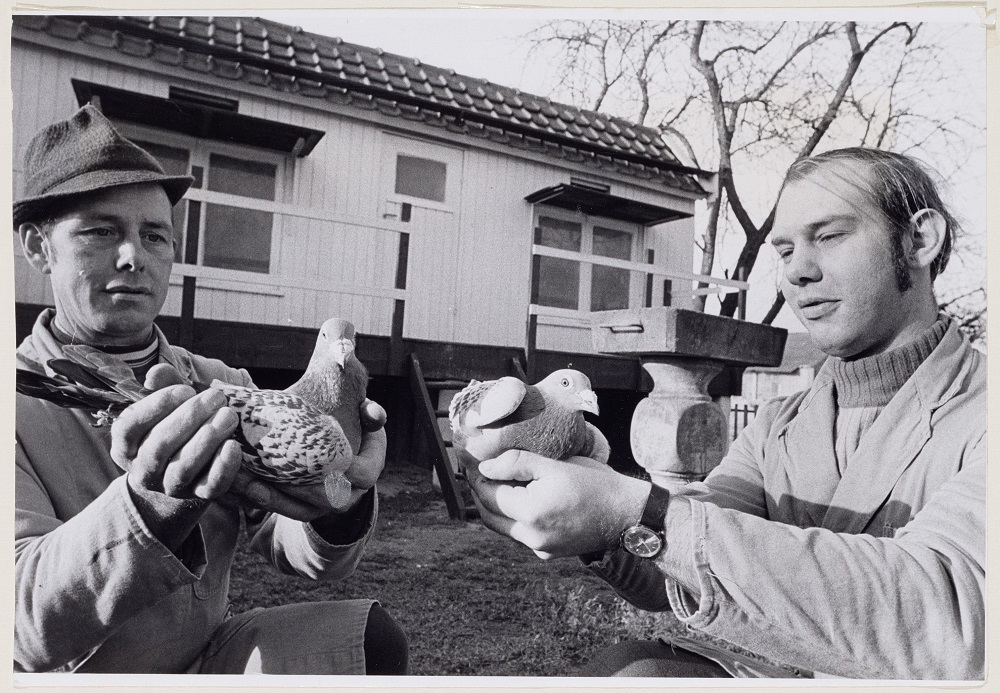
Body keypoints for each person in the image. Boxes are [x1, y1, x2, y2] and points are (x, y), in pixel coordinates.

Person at [466, 147, 985, 679]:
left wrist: (637, 511)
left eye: (829, 236)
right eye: (784, 251)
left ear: (920, 240)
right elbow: (681, 562)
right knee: (633, 673)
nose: (798, 272)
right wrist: (591, 502)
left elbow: (947, 611)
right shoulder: (778, 425)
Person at [13, 105, 408, 675]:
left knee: (368, 642)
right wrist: (153, 504)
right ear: (37, 246)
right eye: (100, 231)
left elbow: (289, 544)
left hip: (203, 660)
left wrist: (336, 508)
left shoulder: (220, 383)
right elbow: (20, 626)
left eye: (155, 235)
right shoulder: (17, 402)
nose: (134, 257)